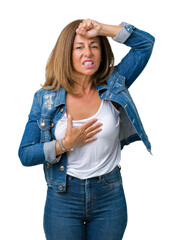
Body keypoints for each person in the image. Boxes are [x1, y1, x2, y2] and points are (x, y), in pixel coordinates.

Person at [18, 19, 155, 240]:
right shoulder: (45, 98)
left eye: (94, 46)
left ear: (102, 52)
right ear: (67, 53)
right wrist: (65, 145)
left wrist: (102, 29)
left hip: (109, 195)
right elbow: (25, 154)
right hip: (63, 198)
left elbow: (145, 44)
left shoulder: (115, 83)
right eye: (79, 47)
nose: (88, 54)